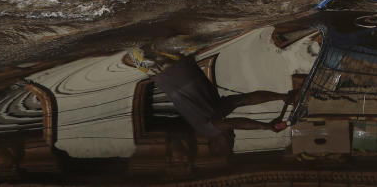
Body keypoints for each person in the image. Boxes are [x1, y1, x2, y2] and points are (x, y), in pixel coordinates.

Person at [124, 48, 295, 155]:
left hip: (164, 69)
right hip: (171, 67)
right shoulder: (218, 112)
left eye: (230, 141)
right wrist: (280, 96)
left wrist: (266, 126)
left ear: (216, 143)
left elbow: (234, 122)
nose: (233, 135)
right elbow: (246, 99)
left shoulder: (208, 128)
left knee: (136, 40)